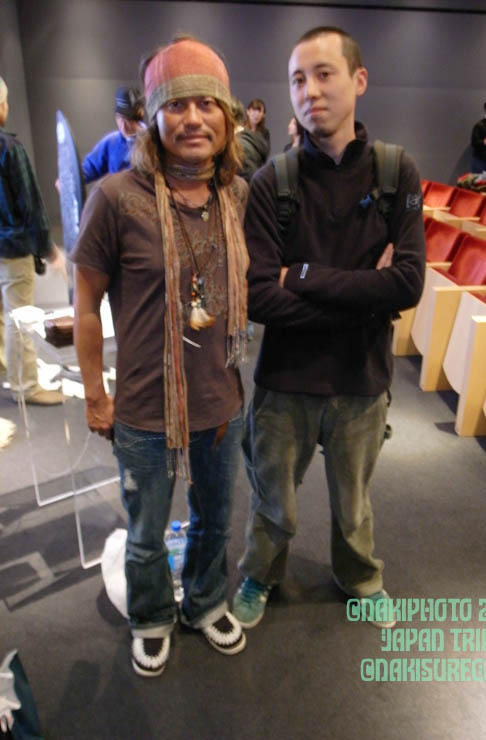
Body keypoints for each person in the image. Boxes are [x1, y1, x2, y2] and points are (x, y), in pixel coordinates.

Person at [232, 27, 425, 630]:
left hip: (362, 380)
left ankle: (360, 576)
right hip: (285, 380)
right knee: (273, 503)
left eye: (324, 74)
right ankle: (260, 575)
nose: (310, 91)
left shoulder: (396, 173)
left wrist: (302, 275)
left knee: (354, 504)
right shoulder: (272, 182)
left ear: (358, 80)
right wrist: (366, 297)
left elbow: (407, 284)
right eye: (298, 79)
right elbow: (258, 296)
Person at [71, 35, 250, 677]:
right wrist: (96, 395)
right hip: (146, 406)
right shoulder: (116, 197)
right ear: (152, 117)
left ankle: (205, 602)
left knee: (215, 521)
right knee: (147, 533)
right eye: (177, 105)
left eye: (207, 104)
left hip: (221, 399)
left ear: (227, 116)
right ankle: (150, 616)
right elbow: (86, 305)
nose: (193, 119)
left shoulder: (237, 195)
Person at [0, 76, 66, 406]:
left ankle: (4, 365)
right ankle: (25, 385)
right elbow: (30, 203)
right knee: (20, 317)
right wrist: (48, 249)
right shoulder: (10, 149)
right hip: (11, 247)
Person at [81, 86, 146, 184]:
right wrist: (68, 182)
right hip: (117, 193)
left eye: (127, 120)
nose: (123, 126)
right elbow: (89, 169)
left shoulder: (152, 141)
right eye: (119, 118)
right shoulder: (111, 142)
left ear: (139, 114)